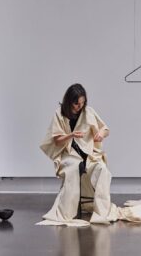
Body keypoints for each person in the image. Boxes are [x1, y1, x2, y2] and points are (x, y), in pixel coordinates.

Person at [40, 83, 115, 223]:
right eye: (76, 103)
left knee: (103, 170)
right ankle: (68, 211)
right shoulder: (59, 114)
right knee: (72, 171)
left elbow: (106, 129)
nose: (80, 106)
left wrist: (100, 134)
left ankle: (101, 214)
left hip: (90, 154)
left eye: (83, 102)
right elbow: (57, 140)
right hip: (70, 154)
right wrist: (71, 135)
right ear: (69, 101)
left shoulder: (89, 111)